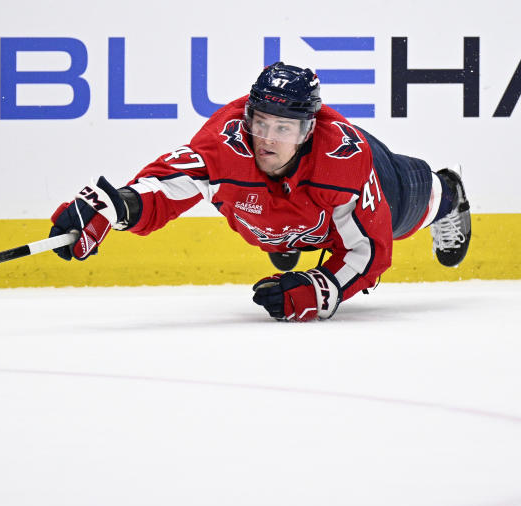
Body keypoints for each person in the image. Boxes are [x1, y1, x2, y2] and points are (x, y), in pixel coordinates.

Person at [47, 62, 472, 322]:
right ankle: (289, 238)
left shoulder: (343, 160)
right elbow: (161, 189)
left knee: (411, 206)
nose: (266, 138)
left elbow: (370, 254)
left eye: (283, 128)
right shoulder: (223, 144)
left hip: (355, 190)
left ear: (308, 130)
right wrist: (111, 208)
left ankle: (449, 193)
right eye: (261, 122)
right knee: (277, 221)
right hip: (284, 214)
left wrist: (321, 286)